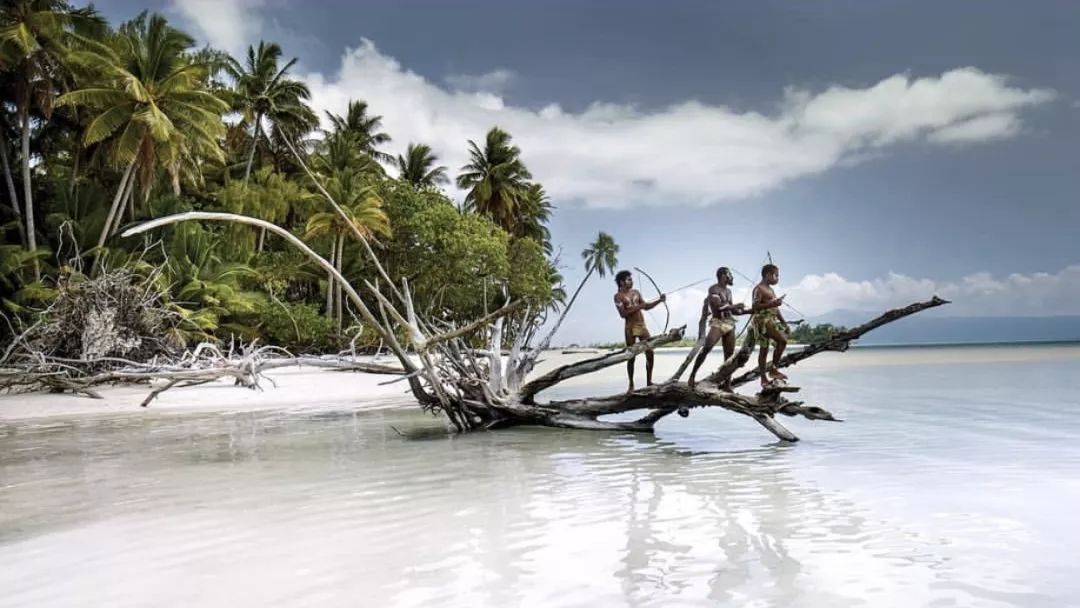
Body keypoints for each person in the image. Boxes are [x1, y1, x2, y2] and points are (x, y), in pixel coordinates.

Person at [687, 267, 751, 391]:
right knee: (706, 349)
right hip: (718, 323)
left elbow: (733, 311)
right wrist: (735, 306)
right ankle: (692, 376)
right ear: (723, 275)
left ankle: (727, 384)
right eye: (729, 274)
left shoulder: (729, 291)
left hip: (729, 324)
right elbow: (720, 307)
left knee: (729, 356)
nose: (731, 277)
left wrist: (750, 311)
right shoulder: (713, 289)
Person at [613, 270, 666, 391]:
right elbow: (623, 314)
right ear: (622, 282)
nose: (631, 281)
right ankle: (631, 384)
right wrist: (639, 306)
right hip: (630, 327)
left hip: (641, 326)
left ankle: (649, 382)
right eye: (628, 279)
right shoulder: (618, 297)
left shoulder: (636, 292)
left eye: (631, 279)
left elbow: (646, 306)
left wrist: (659, 300)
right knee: (631, 356)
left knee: (650, 352)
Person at [751, 263, 789, 387]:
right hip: (762, 321)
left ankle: (764, 379)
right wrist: (772, 304)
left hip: (771, 319)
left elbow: (776, 309)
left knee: (764, 350)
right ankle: (772, 370)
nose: (777, 278)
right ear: (768, 275)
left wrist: (784, 323)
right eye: (776, 276)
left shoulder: (771, 290)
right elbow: (755, 306)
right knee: (782, 341)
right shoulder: (759, 289)